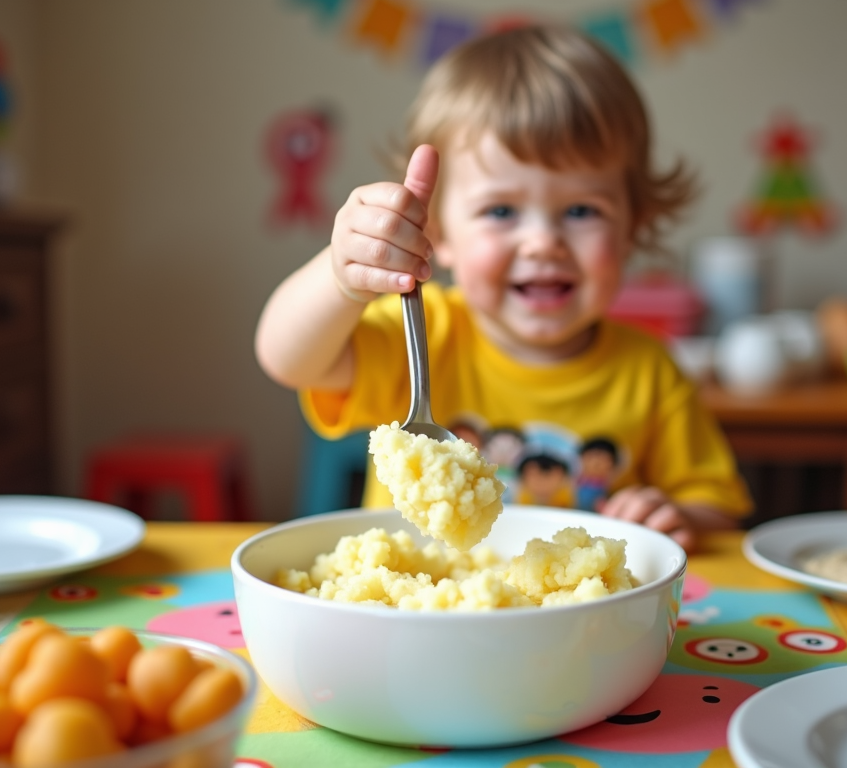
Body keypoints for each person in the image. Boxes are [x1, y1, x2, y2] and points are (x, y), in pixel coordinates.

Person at [254, 24, 752, 552]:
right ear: (438, 233)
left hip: (581, 629)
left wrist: (677, 519)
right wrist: (340, 278)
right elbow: (288, 360)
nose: (542, 242)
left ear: (634, 228)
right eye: (501, 211)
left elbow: (717, 511)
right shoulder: (423, 334)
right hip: (421, 614)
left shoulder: (652, 373)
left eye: (581, 210)